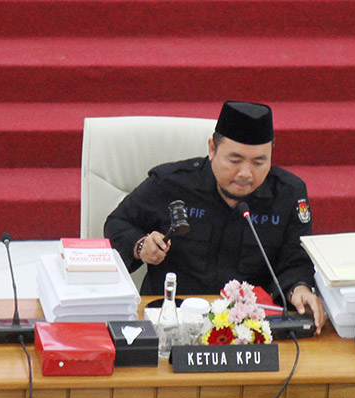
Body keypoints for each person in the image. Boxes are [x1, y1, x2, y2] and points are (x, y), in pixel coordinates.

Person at [105, 101, 325, 331]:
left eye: (259, 162)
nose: (246, 173)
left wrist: (299, 289)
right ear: (212, 149)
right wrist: (141, 246)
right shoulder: (171, 183)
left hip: (250, 326)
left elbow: (296, 261)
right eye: (235, 160)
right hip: (172, 320)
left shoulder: (288, 194)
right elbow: (117, 223)